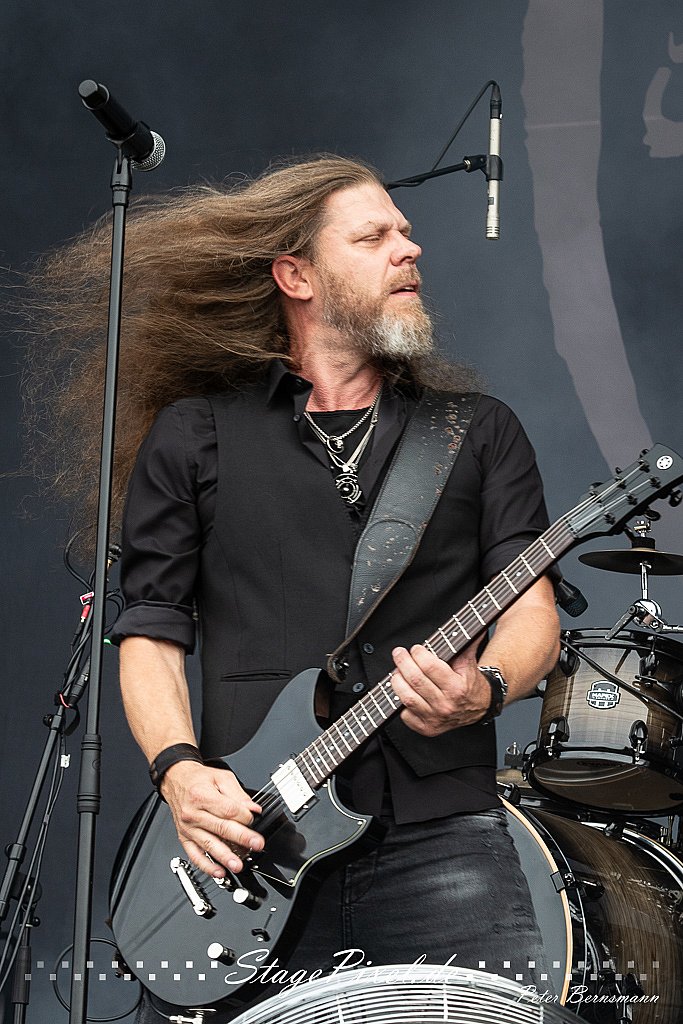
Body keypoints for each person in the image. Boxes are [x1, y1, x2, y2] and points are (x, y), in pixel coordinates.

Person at [26, 155, 561, 1021]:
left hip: (440, 836)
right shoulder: (197, 434)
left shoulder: (476, 431)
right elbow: (150, 634)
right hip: (252, 848)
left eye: (405, 232)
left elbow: (530, 606)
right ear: (296, 276)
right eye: (374, 236)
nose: (409, 249)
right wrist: (178, 772)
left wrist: (488, 688)